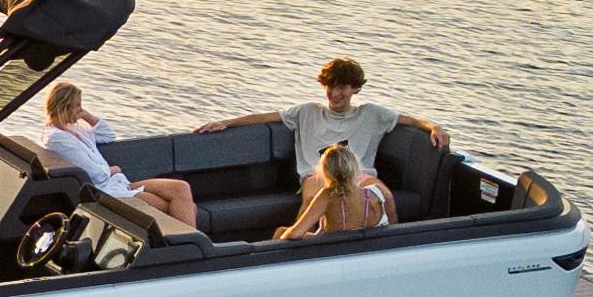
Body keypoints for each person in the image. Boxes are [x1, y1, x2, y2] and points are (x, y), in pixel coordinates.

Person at [195, 57, 447, 200]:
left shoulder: (372, 114)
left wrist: (435, 127)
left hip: (359, 175)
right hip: (317, 175)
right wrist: (226, 122)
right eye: (330, 86)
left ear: (355, 89)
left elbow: (413, 122)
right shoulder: (306, 112)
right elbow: (264, 117)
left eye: (342, 88)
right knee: (318, 196)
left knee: (384, 197)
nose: (335, 94)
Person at [38, 83, 199, 226]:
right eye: (77, 106)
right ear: (64, 107)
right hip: (105, 191)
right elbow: (97, 175)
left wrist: (86, 115)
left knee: (181, 188)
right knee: (184, 208)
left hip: (117, 183)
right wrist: (112, 169)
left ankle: (189, 245)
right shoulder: (57, 139)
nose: (80, 111)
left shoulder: (75, 129)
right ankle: (190, 249)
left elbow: (108, 135)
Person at [279, 142, 395, 239]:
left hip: (334, 252)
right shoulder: (377, 192)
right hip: (372, 248)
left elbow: (294, 234)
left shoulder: (327, 195)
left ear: (325, 172)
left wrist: (284, 236)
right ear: (355, 168)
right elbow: (394, 229)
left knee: (281, 231)